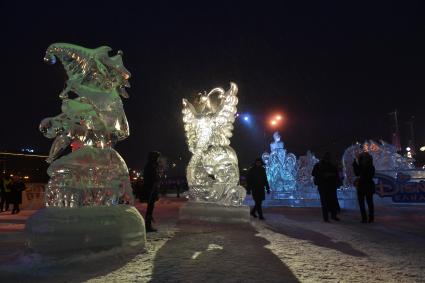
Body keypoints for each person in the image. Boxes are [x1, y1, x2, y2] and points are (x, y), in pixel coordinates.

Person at [312, 152, 341, 222]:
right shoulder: (318, 165)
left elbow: (336, 175)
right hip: (323, 186)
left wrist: (332, 177)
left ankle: (333, 215)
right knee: (325, 202)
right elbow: (313, 173)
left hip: (331, 186)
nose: (327, 158)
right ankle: (327, 217)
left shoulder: (331, 165)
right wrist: (323, 175)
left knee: (333, 201)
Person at [142, 151, 162, 232]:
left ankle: (148, 224)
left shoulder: (151, 166)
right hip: (150, 189)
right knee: (150, 207)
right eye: (156, 158)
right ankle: (148, 225)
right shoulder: (150, 166)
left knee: (151, 207)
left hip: (152, 189)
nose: (158, 159)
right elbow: (153, 178)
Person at [353, 152, 375, 223]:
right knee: (368, 202)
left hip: (363, 185)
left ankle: (366, 218)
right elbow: (357, 173)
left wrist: (355, 164)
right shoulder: (370, 166)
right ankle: (368, 217)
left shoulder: (366, 167)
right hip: (366, 185)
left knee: (365, 202)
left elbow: (358, 173)